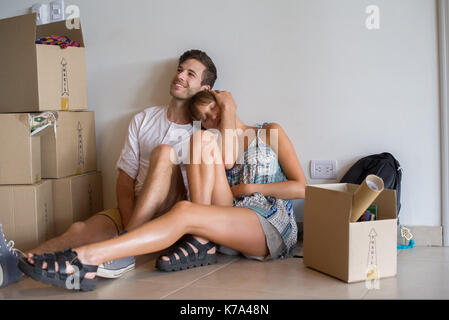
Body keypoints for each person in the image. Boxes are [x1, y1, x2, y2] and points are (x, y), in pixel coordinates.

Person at [19, 90, 308, 291]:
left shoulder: (269, 131)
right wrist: (218, 126)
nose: (211, 117)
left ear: (226, 102)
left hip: (268, 220)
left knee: (185, 210)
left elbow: (302, 188)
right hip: (229, 218)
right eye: (204, 116)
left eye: (214, 107)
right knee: (200, 142)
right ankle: (203, 239)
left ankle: (86, 258)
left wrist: (247, 187)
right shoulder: (215, 141)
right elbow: (229, 158)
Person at [17, 49, 218, 280]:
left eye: (190, 74)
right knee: (79, 231)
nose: (181, 76)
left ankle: (123, 245)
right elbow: (125, 179)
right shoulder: (144, 119)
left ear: (205, 89)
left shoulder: (203, 132)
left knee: (164, 153)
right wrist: (128, 218)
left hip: (171, 211)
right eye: (180, 70)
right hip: (135, 207)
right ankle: (17, 263)